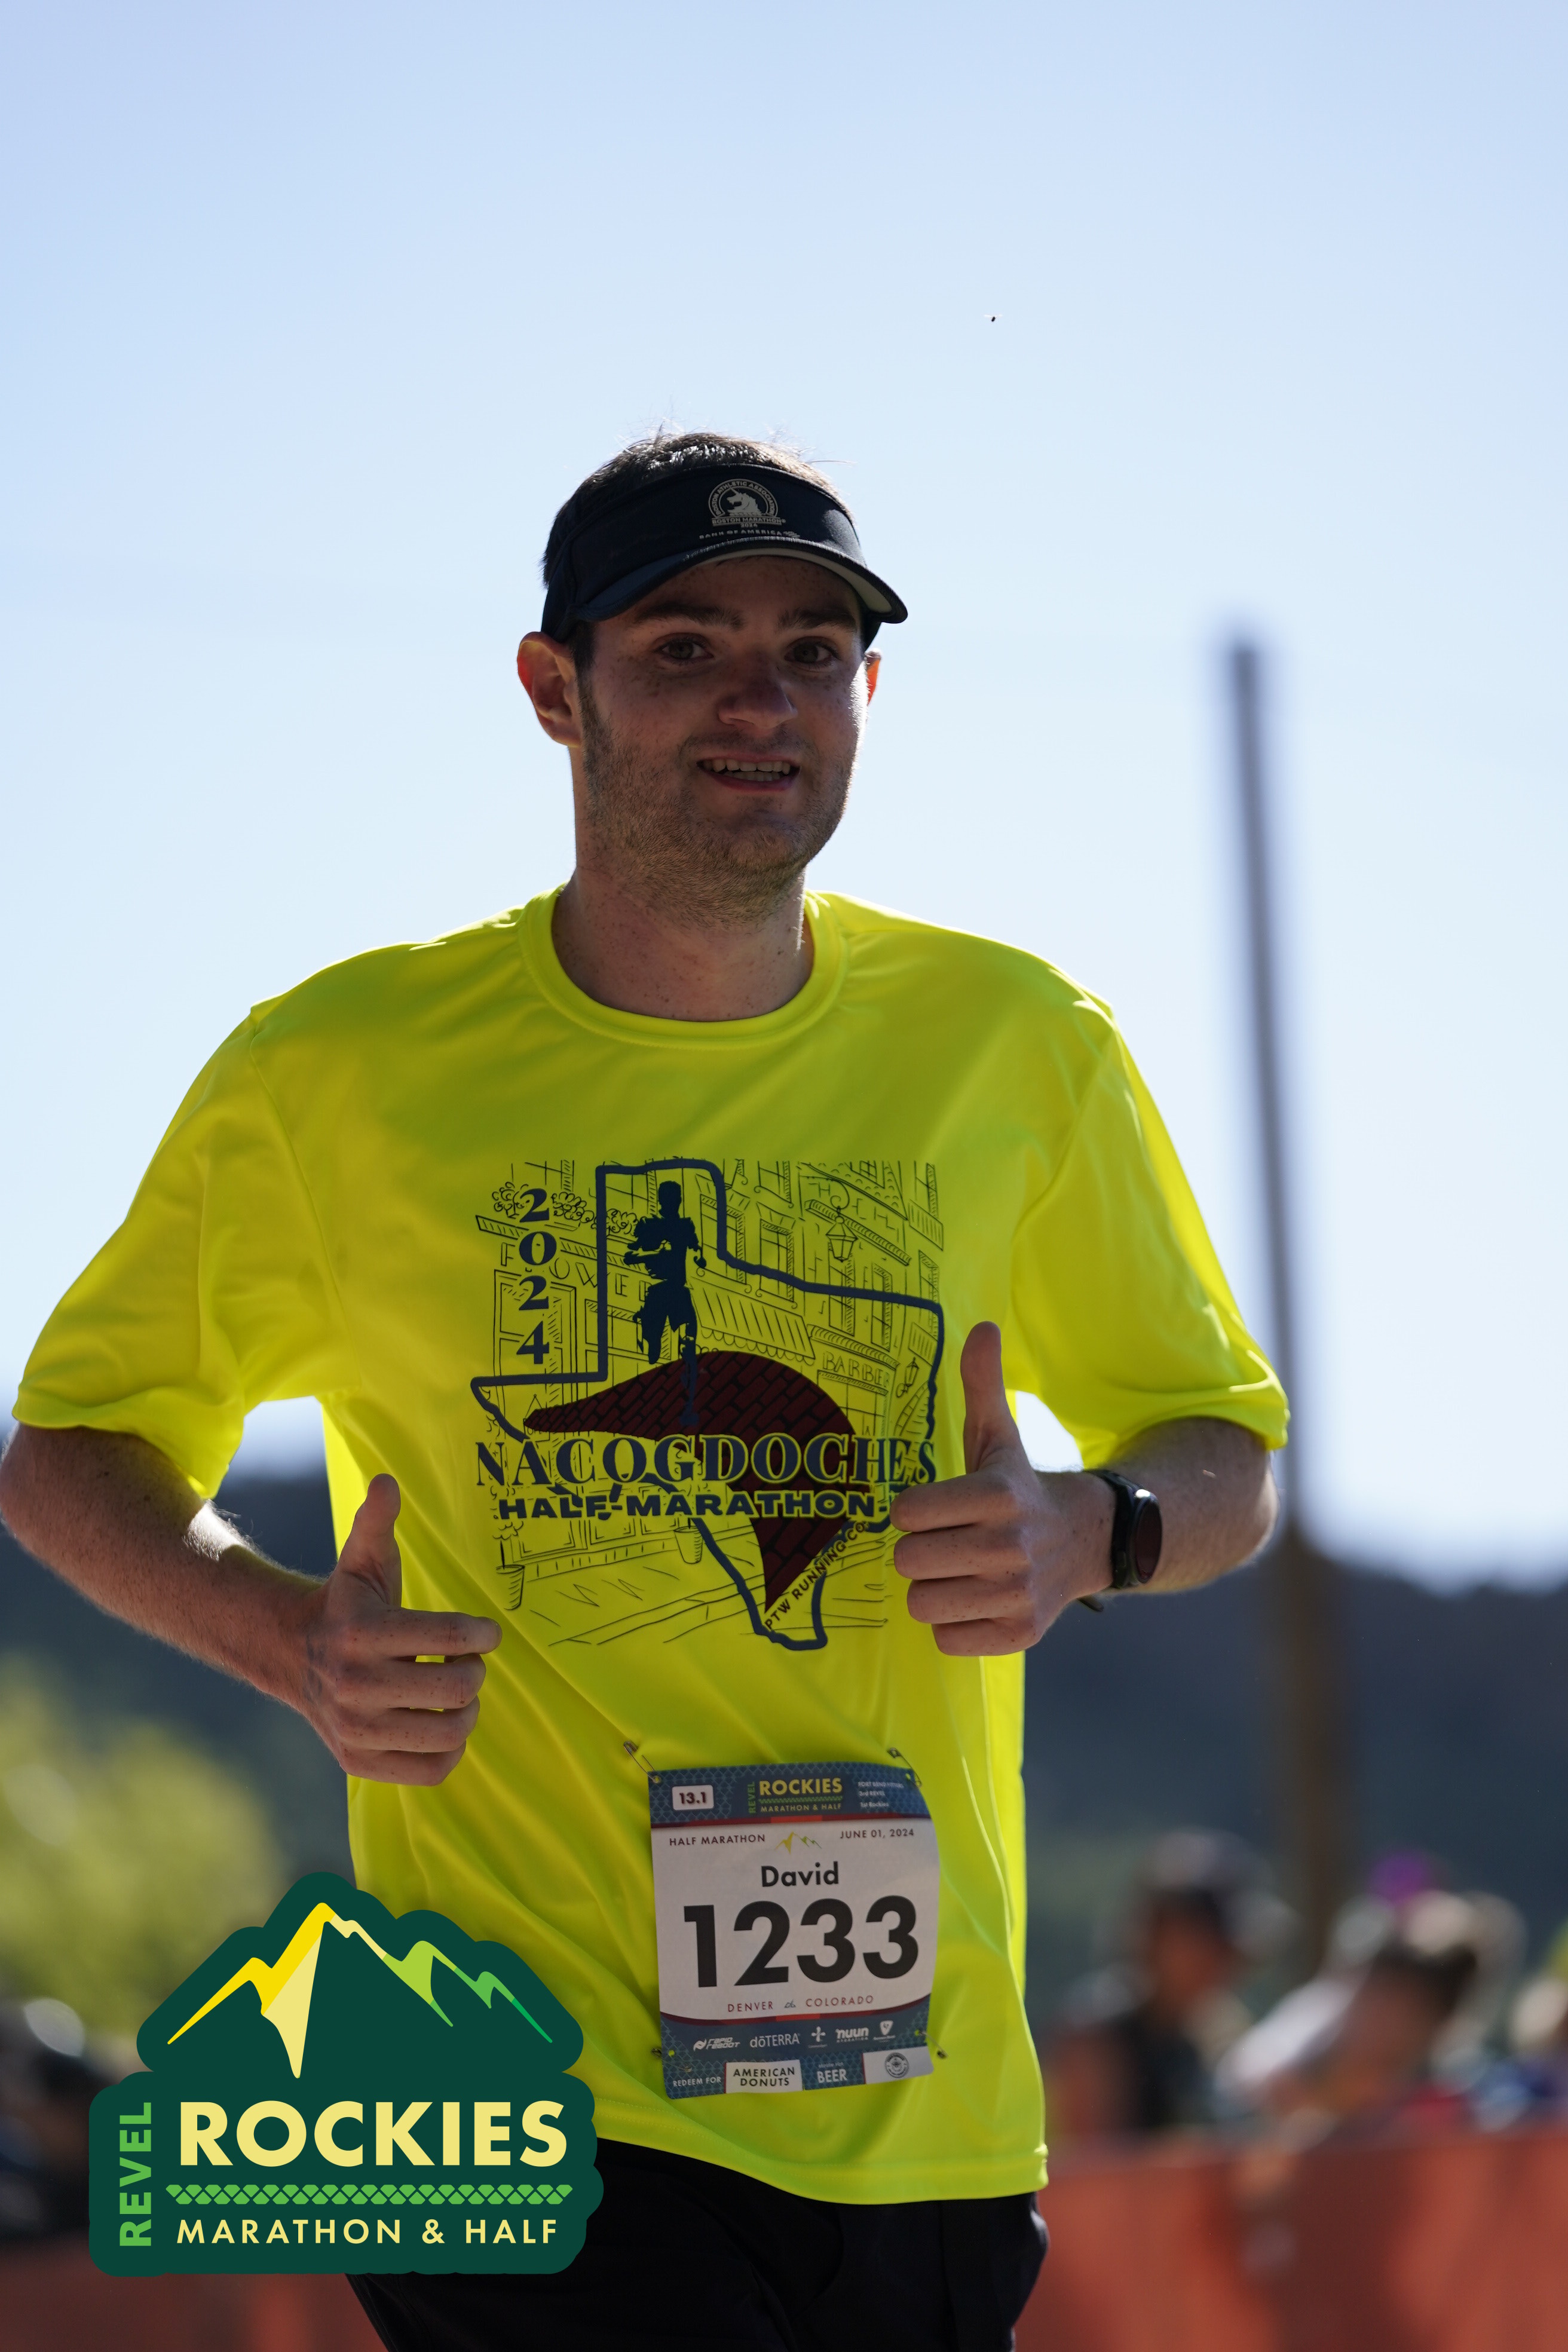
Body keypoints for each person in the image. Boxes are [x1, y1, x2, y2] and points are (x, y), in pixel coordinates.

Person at [0, 430, 1287, 2351]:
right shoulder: (338, 1072)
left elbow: (1225, 1454)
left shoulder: (1019, 1047)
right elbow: (69, 1453)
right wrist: (284, 1637)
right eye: (685, 648)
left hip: (919, 2110)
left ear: (867, 695)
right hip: (500, 2094)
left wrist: (1091, 1528)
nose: (758, 700)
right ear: (556, 689)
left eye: (809, 652)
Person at [1047, 1829, 1290, 2140]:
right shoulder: (1094, 2037)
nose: (1228, 1962)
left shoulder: (1216, 2030)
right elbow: (1098, 2161)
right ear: (1161, 1936)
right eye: (1213, 1942)